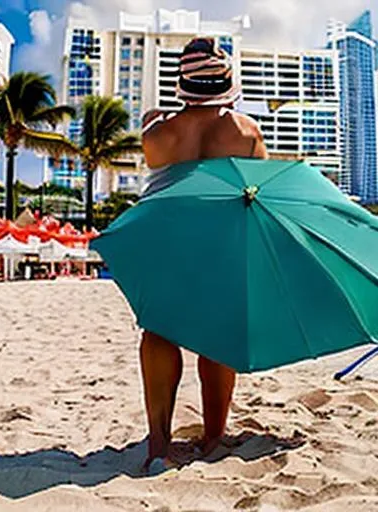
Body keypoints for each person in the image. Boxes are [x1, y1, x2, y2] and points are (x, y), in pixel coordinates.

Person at [140, 37, 268, 468]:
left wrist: (152, 119)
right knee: (215, 337)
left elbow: (153, 148)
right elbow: (259, 192)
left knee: (159, 331)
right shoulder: (247, 132)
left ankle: (158, 444)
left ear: (183, 84)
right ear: (226, 83)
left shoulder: (157, 134)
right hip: (220, 242)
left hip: (165, 240)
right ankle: (214, 437)